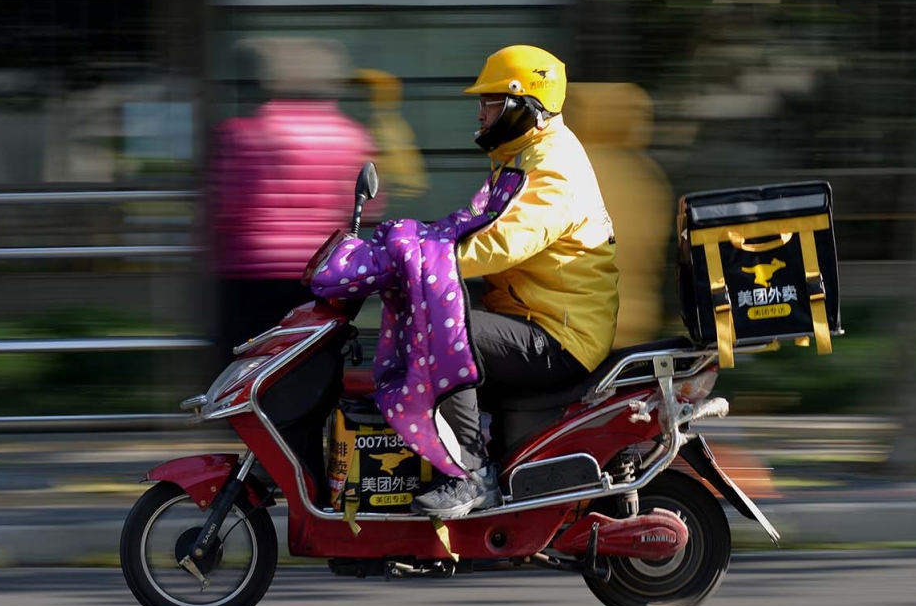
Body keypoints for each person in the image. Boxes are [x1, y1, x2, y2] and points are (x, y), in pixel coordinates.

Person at [410, 45, 620, 518]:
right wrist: (411, 242)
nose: (479, 112)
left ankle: (468, 476)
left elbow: (506, 241)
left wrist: (423, 263)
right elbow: (470, 224)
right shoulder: (519, 158)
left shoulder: (552, 168)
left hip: (560, 336)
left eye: (489, 102)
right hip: (530, 315)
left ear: (523, 105)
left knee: (442, 332)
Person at [210, 37, 380, 365]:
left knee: (243, 360)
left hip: (251, 271)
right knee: (305, 362)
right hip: (321, 273)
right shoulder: (353, 134)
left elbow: (224, 206)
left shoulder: (240, 132)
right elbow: (369, 205)